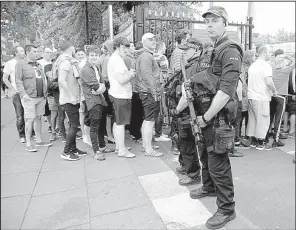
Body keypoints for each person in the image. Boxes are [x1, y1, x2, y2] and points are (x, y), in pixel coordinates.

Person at [177, 6, 243, 229]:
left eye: (215, 20)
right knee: (204, 155)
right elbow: (207, 78)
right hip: (204, 115)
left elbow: (225, 91)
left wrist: (205, 117)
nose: (210, 24)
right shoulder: (209, 49)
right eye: (207, 21)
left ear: (225, 23)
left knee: (218, 162)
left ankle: (227, 208)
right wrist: (191, 83)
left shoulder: (230, 49)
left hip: (217, 117)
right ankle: (209, 187)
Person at [15, 45, 52, 152]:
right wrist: (23, 94)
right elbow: (18, 80)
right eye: (34, 51)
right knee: (30, 119)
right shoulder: (21, 64)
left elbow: (43, 79)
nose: (37, 53)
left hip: (41, 96)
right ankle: (28, 143)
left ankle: (39, 140)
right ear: (27, 52)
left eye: (37, 51)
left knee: (38, 118)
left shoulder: (38, 64)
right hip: (29, 97)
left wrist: (45, 92)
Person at [80, 46, 114, 161]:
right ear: (87, 56)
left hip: (99, 100)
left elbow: (102, 83)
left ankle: (102, 146)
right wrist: (101, 87)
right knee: (94, 127)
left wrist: (101, 87)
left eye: (96, 55)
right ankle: (96, 151)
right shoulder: (86, 69)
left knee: (101, 125)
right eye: (92, 55)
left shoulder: (95, 67)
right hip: (93, 102)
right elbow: (96, 86)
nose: (94, 57)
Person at [57, 36, 87, 160]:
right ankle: (66, 152)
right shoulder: (65, 62)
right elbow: (61, 81)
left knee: (74, 125)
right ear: (71, 48)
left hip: (73, 98)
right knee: (74, 125)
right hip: (69, 99)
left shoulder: (69, 61)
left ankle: (73, 149)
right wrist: (70, 95)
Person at [243, 46, 277, 150]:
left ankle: (253, 140)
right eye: (269, 53)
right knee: (263, 119)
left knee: (253, 119)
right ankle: (261, 142)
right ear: (264, 53)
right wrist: (274, 91)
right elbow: (269, 82)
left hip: (251, 96)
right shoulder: (266, 66)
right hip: (261, 96)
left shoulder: (253, 65)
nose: (270, 55)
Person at [135, 33, 164, 157]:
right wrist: (155, 92)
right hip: (149, 92)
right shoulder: (146, 56)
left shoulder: (144, 55)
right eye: (150, 40)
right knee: (149, 121)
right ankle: (148, 149)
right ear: (144, 42)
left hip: (146, 91)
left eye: (154, 39)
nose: (153, 41)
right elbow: (147, 75)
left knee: (147, 120)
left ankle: (146, 145)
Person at [107, 37, 136, 158]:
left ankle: (119, 146)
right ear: (118, 46)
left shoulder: (115, 59)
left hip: (117, 94)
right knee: (121, 124)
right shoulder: (117, 60)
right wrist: (131, 74)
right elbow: (122, 80)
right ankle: (122, 150)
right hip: (121, 95)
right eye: (124, 46)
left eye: (127, 46)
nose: (126, 49)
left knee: (117, 122)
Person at [266, 50, 295, 147]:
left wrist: (277, 58)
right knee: (278, 119)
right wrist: (286, 56)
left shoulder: (272, 70)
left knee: (270, 117)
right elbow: (294, 61)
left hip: (271, 95)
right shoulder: (285, 71)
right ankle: (276, 139)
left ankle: (265, 138)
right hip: (281, 97)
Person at [2, 46, 26, 143]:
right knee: (20, 115)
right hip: (17, 92)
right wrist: (12, 89)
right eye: (21, 51)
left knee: (30, 114)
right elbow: (4, 78)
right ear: (16, 53)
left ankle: (31, 132)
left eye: (23, 50)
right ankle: (22, 135)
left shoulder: (26, 62)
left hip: (27, 91)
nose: (23, 52)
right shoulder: (10, 63)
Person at [153, 41, 171, 142]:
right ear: (160, 47)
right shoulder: (162, 58)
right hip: (160, 86)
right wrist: (165, 83)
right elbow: (164, 72)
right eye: (164, 46)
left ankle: (156, 131)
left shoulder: (152, 56)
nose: (165, 49)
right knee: (160, 109)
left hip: (153, 85)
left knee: (154, 111)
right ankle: (158, 134)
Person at [75, 48, 91, 145]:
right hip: (80, 93)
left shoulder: (85, 64)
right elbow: (79, 82)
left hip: (84, 93)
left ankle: (86, 133)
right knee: (82, 113)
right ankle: (84, 133)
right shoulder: (76, 65)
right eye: (78, 54)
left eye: (82, 54)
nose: (80, 56)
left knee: (84, 113)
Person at [38, 47, 53, 133]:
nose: (49, 54)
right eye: (47, 52)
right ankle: (50, 125)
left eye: (50, 52)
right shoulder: (39, 63)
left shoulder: (54, 62)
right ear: (43, 53)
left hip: (52, 88)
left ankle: (55, 125)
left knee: (54, 109)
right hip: (44, 88)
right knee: (46, 109)